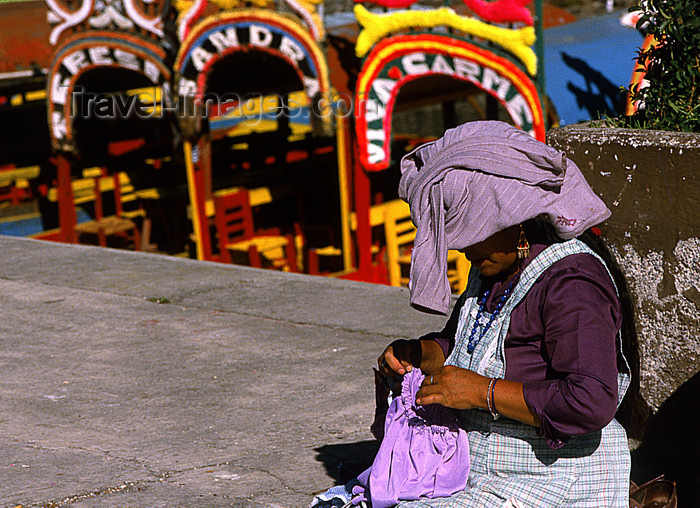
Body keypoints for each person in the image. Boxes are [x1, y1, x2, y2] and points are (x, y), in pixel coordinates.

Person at [377, 121, 644, 507]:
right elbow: (467, 342)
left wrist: (480, 392)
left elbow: (590, 401)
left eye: (468, 236)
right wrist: (419, 354)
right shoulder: (494, 264)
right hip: (481, 472)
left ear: (512, 219)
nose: (462, 251)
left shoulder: (572, 282)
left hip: (553, 479)